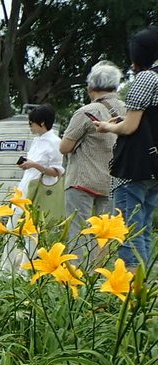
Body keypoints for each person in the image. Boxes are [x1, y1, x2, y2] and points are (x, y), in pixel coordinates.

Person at [98, 26, 158, 268]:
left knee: (126, 229)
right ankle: (143, 291)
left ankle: (132, 291)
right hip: (154, 167)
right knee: (142, 228)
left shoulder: (147, 78)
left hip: (134, 166)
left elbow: (130, 127)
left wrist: (108, 127)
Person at [60, 62, 126, 262]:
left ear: (90, 87)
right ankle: (99, 278)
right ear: (115, 86)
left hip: (83, 181)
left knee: (79, 232)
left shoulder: (87, 112)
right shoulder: (128, 111)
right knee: (104, 235)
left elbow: (64, 147)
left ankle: (77, 279)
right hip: (113, 183)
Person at [17, 104, 65, 224]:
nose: (30, 127)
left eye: (31, 123)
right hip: (26, 185)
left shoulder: (55, 142)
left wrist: (34, 165)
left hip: (40, 189)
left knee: (32, 226)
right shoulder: (36, 140)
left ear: (42, 123)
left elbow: (56, 172)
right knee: (15, 222)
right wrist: (27, 164)